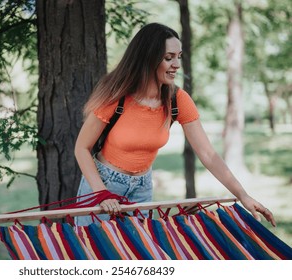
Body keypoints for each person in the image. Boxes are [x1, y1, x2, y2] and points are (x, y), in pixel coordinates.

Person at [73, 22, 276, 227]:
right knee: (93, 250)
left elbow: (208, 154)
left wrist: (243, 195)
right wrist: (102, 194)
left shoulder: (177, 100)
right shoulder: (116, 95)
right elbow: (82, 147)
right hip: (103, 184)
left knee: (133, 253)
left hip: (142, 188)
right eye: (169, 58)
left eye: (179, 56)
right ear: (148, 59)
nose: (177, 64)